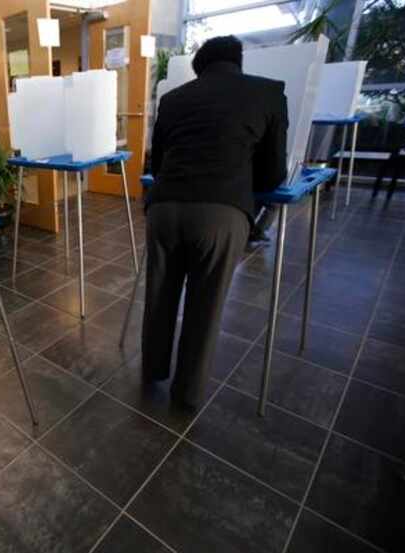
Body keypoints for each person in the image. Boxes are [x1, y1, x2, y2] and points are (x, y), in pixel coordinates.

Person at [144, 35, 288, 408]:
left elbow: (157, 164)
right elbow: (273, 175)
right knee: (204, 306)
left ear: (199, 66)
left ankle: (153, 370)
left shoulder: (173, 99)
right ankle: (186, 395)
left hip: (164, 210)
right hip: (220, 213)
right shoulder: (269, 93)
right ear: (237, 61)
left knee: (159, 297)